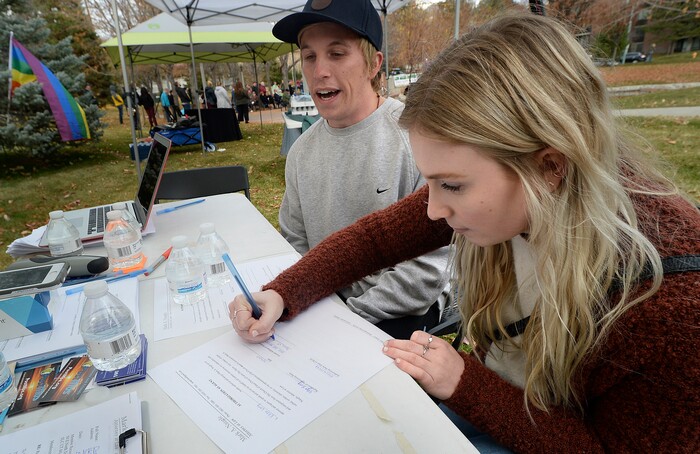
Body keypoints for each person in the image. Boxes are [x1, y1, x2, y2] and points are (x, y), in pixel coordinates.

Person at [230, 14, 700, 452]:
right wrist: (283, 292)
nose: (433, 209)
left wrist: (465, 384)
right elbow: (375, 239)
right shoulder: (516, 183)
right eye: (430, 180)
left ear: (549, 166)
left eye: (451, 184)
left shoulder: (670, 311)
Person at [264, 0, 451, 339]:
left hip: (399, 316)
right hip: (322, 305)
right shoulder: (301, 152)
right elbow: (295, 242)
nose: (320, 70)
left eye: (336, 54)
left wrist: (347, 318)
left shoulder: (417, 139)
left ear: (373, 64)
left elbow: (428, 269)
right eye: (309, 56)